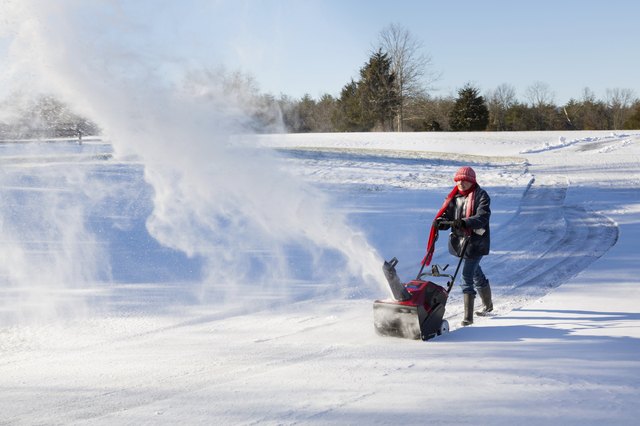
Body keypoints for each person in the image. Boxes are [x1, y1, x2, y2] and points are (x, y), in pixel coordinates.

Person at [431, 166, 493, 326]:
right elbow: (448, 215)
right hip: (460, 242)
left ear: (472, 181)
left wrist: (465, 222)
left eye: (464, 180)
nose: (460, 183)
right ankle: (488, 305)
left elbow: (482, 217)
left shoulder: (481, 196)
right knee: (475, 273)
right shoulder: (454, 197)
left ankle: (468, 318)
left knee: (466, 276)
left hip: (476, 242)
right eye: (458, 180)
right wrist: (441, 223)